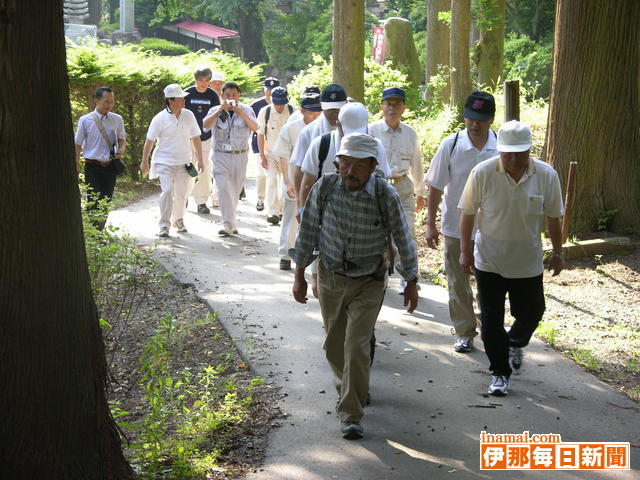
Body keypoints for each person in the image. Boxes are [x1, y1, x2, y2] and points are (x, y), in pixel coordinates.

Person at [290, 133, 419, 440]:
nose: (349, 171)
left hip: (369, 281)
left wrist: (411, 280)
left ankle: (351, 414)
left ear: (373, 166)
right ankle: (353, 387)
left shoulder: (384, 195)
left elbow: (403, 237)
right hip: (331, 277)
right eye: (344, 163)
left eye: (357, 165)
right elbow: (308, 231)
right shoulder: (326, 187)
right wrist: (299, 275)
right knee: (334, 346)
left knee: (356, 346)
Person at [458, 120, 565, 396]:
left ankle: (515, 341)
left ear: (530, 149)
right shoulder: (482, 172)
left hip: (527, 261)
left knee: (532, 311)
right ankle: (499, 373)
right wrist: (465, 250)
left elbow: (554, 217)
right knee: (491, 320)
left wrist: (558, 252)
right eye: (509, 153)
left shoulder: (546, 175)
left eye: (521, 153)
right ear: (499, 150)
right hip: (489, 260)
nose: (515, 159)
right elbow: (468, 212)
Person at [423, 91, 499, 353]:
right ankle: (465, 331)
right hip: (456, 227)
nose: (474, 124)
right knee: (457, 282)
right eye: (470, 118)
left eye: (480, 119)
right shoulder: (451, 145)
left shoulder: (500, 147)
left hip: (491, 229)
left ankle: (491, 328)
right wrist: (430, 223)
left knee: (490, 283)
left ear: (490, 119)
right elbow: (434, 186)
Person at [369, 87, 427, 294]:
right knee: (377, 233)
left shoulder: (410, 133)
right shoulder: (371, 131)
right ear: (382, 107)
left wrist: (420, 192)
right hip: (379, 186)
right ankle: (376, 277)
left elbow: (416, 163)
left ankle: (408, 277)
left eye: (396, 104)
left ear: (404, 107)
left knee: (408, 232)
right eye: (388, 103)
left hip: (403, 186)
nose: (392, 107)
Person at [140, 84, 204, 237]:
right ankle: (164, 225)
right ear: (170, 101)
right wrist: (144, 161)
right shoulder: (159, 119)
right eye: (180, 98)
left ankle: (178, 219)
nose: (183, 100)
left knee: (182, 193)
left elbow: (196, 137)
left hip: (184, 161)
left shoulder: (188, 115)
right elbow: (150, 141)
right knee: (167, 191)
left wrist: (200, 159)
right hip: (164, 161)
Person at [271, 93, 322, 270]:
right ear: (302, 111)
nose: (316, 116)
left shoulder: (324, 127)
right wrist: (288, 181)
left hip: (316, 178)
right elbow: (283, 156)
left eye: (319, 112)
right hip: (295, 176)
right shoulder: (291, 128)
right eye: (312, 113)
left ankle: (314, 258)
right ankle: (285, 254)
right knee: (291, 217)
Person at [203, 81, 258, 236]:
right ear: (222, 96)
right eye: (228, 95)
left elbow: (256, 128)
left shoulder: (247, 110)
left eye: (234, 95)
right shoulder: (215, 110)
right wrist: (220, 110)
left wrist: (241, 113)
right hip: (220, 155)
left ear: (239, 96)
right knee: (222, 187)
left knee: (234, 190)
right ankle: (227, 223)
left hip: (240, 155)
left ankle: (231, 222)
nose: (231, 98)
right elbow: (205, 126)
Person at [74, 86, 126, 230]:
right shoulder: (85, 120)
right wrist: (76, 163)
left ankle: (99, 231)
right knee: (93, 199)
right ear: (97, 101)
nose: (109, 105)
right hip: (92, 165)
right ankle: (93, 233)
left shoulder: (117, 119)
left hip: (110, 165)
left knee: (105, 200)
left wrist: (121, 149)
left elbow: (122, 139)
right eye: (106, 102)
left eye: (112, 101)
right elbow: (77, 144)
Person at [184, 66, 221, 214]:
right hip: (187, 138)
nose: (203, 83)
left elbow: (217, 115)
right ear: (195, 79)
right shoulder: (187, 93)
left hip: (205, 137)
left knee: (204, 169)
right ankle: (184, 196)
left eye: (207, 80)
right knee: (187, 168)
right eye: (201, 80)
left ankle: (201, 201)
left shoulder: (212, 95)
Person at [257, 86, 294, 225]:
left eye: (282, 102)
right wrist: (262, 156)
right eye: (277, 102)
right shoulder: (265, 112)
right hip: (271, 153)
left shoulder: (292, 111)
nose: (280, 106)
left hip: (288, 154)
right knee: (272, 181)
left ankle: (284, 212)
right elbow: (260, 135)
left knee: (287, 183)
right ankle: (272, 212)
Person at [250, 76, 280, 211]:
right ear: (264, 90)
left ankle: (275, 205)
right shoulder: (256, 106)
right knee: (262, 174)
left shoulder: (283, 105)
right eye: (268, 89)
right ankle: (261, 198)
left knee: (276, 178)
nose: (270, 92)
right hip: (259, 144)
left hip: (276, 146)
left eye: (273, 90)